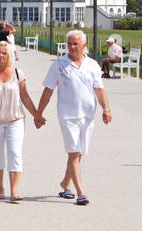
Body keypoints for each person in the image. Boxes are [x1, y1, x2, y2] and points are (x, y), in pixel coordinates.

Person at [33, 30, 112, 206]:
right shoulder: (59, 64)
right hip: (67, 115)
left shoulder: (92, 65)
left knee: (78, 153)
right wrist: (39, 113)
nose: (72, 47)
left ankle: (65, 183)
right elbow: (48, 90)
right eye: (69, 43)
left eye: (75, 44)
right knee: (74, 152)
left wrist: (106, 109)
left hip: (87, 115)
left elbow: (99, 89)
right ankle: (81, 192)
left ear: (84, 45)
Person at [0, 42, 41, 202]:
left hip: (16, 119)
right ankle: (0, 188)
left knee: (15, 153)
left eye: (4, 53)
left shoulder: (18, 73)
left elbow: (25, 97)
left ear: (9, 56)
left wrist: (36, 115)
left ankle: (14, 191)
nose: (1, 56)